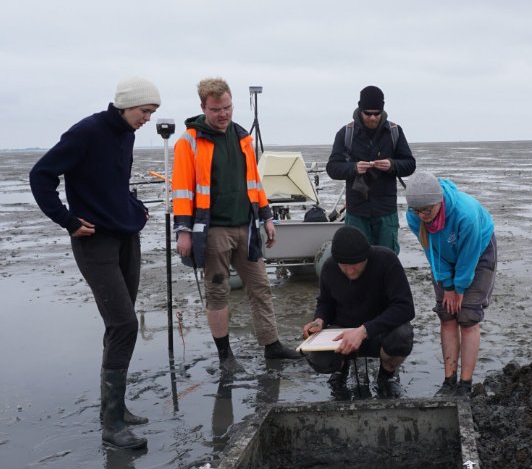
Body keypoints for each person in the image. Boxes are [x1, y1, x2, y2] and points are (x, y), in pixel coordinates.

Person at [29, 77, 161, 449]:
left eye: (152, 113)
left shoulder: (127, 134)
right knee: (124, 323)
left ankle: (114, 408)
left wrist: (135, 208)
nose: (147, 119)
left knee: (119, 322)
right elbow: (41, 175)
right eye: (144, 111)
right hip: (94, 240)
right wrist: (66, 220)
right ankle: (112, 426)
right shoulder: (86, 132)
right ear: (126, 104)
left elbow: (115, 183)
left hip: (125, 236)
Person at [173, 77, 300, 372]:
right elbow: (181, 190)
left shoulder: (243, 137)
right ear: (203, 107)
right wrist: (184, 233)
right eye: (217, 109)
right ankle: (225, 356)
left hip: (246, 227)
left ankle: (272, 346)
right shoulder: (188, 141)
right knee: (218, 292)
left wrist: (267, 217)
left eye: (228, 107)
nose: (224, 114)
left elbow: (254, 182)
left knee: (261, 287)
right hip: (212, 230)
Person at [404, 171, 497, 397]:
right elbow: (431, 250)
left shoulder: (466, 214)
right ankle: (449, 381)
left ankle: (465, 384)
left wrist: (460, 288)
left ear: (439, 202)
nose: (423, 215)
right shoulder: (414, 217)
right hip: (442, 257)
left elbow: (469, 256)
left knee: (467, 317)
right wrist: (447, 285)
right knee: (447, 315)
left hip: (478, 253)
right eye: (418, 210)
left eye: (428, 210)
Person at [301, 226, 415, 398]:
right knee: (318, 358)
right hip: (343, 332)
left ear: (366, 257)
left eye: (356, 265)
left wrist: (364, 330)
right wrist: (320, 320)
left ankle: (387, 375)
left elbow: (405, 307)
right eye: (344, 266)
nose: (350, 271)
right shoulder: (329, 267)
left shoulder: (386, 260)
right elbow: (325, 303)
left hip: (380, 332)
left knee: (402, 337)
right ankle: (340, 368)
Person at [326, 85, 416, 254]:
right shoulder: (346, 133)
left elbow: (410, 164)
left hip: (386, 211)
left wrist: (392, 165)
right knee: (355, 257)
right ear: (360, 110)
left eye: (377, 113)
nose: (373, 118)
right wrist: (353, 168)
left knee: (387, 259)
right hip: (356, 212)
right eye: (368, 113)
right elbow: (332, 168)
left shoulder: (394, 131)